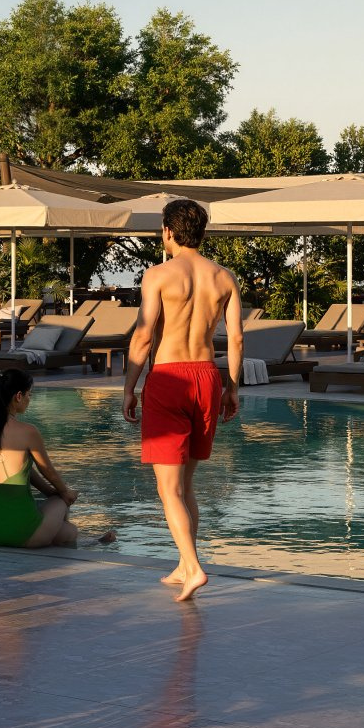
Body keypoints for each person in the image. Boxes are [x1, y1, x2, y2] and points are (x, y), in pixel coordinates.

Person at [122, 198, 242, 603]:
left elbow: (143, 335)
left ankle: (193, 567)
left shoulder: (158, 275)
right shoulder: (224, 277)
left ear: (168, 231)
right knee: (186, 484)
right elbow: (236, 339)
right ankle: (182, 563)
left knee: (168, 489)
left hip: (169, 378)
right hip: (207, 377)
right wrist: (232, 387)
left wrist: (129, 388)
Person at [0, 368, 111, 549]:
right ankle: (92, 542)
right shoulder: (28, 431)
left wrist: (50, 491)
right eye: (29, 395)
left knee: (69, 531)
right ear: (18, 396)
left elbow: (25, 470)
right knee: (62, 501)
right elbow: (47, 470)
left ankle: (90, 541)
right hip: (23, 532)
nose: (29, 399)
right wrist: (64, 493)